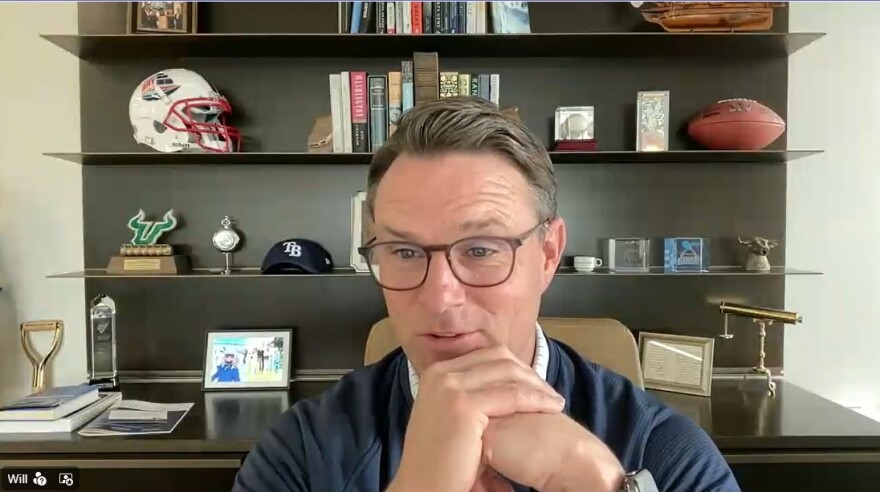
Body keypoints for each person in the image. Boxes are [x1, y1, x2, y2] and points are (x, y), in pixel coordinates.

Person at [232, 97, 741, 492]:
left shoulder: (666, 454)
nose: (440, 299)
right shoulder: (299, 451)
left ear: (547, 256)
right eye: (404, 252)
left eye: (480, 250)